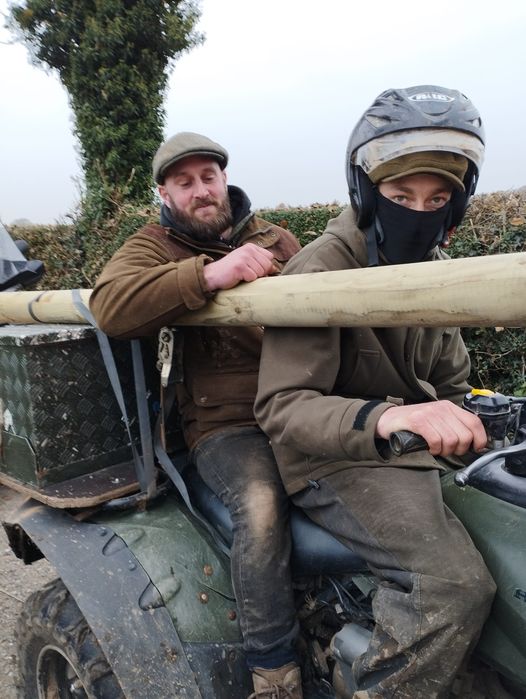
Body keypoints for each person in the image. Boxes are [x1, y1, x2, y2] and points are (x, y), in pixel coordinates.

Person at [254, 85, 497, 698]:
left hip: (408, 444)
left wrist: (471, 409)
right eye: (400, 196)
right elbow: (282, 407)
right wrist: (391, 418)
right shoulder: (319, 271)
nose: (420, 212)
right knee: (453, 584)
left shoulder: (429, 269)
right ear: (366, 192)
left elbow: (449, 380)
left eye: (438, 198)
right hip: (333, 457)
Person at [89, 132, 304, 698]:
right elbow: (109, 305)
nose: (201, 191)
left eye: (208, 177)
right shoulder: (153, 245)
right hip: (226, 424)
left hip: (305, 403)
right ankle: (274, 672)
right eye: (184, 183)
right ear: (164, 192)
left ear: (224, 181)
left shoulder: (276, 237)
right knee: (260, 506)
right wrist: (209, 276)